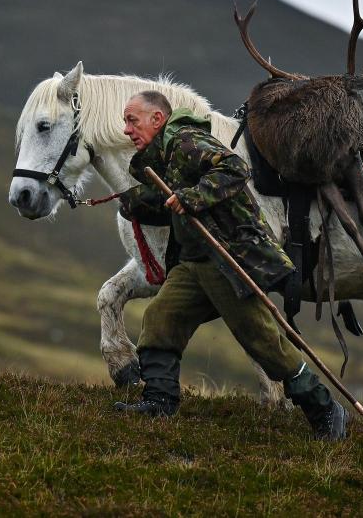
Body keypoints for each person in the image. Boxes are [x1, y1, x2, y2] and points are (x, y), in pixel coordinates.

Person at [113, 90, 348, 440]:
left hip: (226, 258)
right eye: (125, 122)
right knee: (161, 317)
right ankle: (159, 401)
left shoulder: (186, 141)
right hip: (194, 262)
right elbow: (171, 200)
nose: (127, 129)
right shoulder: (160, 157)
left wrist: (192, 197)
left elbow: (235, 168)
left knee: (263, 340)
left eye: (133, 120)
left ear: (157, 119)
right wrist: (134, 202)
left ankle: (325, 410)